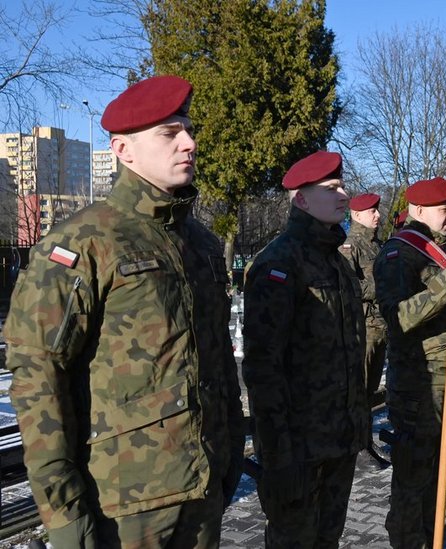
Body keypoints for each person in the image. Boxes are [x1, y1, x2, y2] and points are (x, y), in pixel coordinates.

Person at [3, 75, 245, 548]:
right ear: (123, 150)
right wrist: (64, 512)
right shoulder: (83, 242)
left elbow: (215, 361)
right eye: (169, 133)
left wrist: (230, 448)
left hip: (203, 485)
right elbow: (38, 376)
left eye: (189, 129)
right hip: (123, 503)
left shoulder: (201, 245)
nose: (190, 143)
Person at [242, 151, 368, 548]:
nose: (344, 194)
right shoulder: (279, 263)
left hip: (338, 438)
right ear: (301, 200)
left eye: (342, 186)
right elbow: (263, 368)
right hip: (298, 448)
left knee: (328, 538)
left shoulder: (337, 263)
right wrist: (279, 455)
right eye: (331, 189)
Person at [373, 178, 446, 548]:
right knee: (413, 483)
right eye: (442, 208)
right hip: (419, 386)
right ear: (416, 210)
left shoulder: (439, 251)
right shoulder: (400, 254)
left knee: (437, 474)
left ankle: (430, 539)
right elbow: (398, 317)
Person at [340, 192, 390, 467]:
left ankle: (366, 441)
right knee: (360, 390)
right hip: (365, 327)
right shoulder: (350, 246)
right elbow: (349, 285)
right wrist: (379, 288)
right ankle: (358, 446)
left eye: (377, 210)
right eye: (372, 211)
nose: (377, 215)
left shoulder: (377, 245)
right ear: (357, 215)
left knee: (370, 391)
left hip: (380, 325)